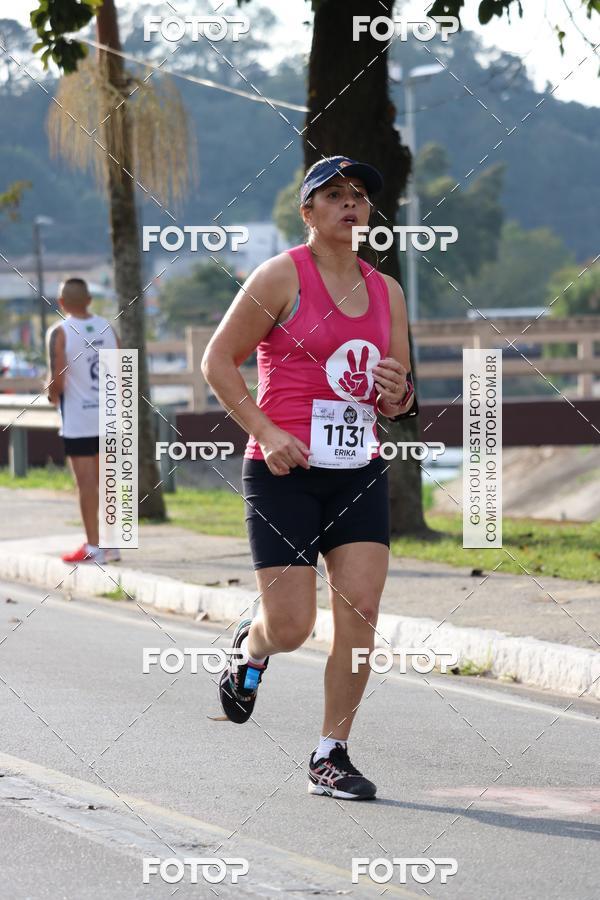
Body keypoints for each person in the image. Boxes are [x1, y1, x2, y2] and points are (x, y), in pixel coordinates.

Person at [201, 156, 417, 801]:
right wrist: (266, 432)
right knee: (292, 626)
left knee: (362, 611)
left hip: (357, 470)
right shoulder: (280, 276)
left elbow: (400, 396)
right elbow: (218, 360)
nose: (350, 205)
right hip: (283, 471)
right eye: (334, 196)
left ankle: (332, 752)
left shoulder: (388, 292)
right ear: (308, 211)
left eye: (359, 196)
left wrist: (397, 393)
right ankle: (254, 644)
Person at [46, 277, 121, 565]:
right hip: (110, 415)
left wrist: (51, 395)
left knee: (87, 483)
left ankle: (93, 546)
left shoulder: (60, 331)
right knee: (110, 481)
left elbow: (58, 379)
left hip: (79, 420)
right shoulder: (108, 328)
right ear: (89, 300)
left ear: (61, 303)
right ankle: (113, 546)